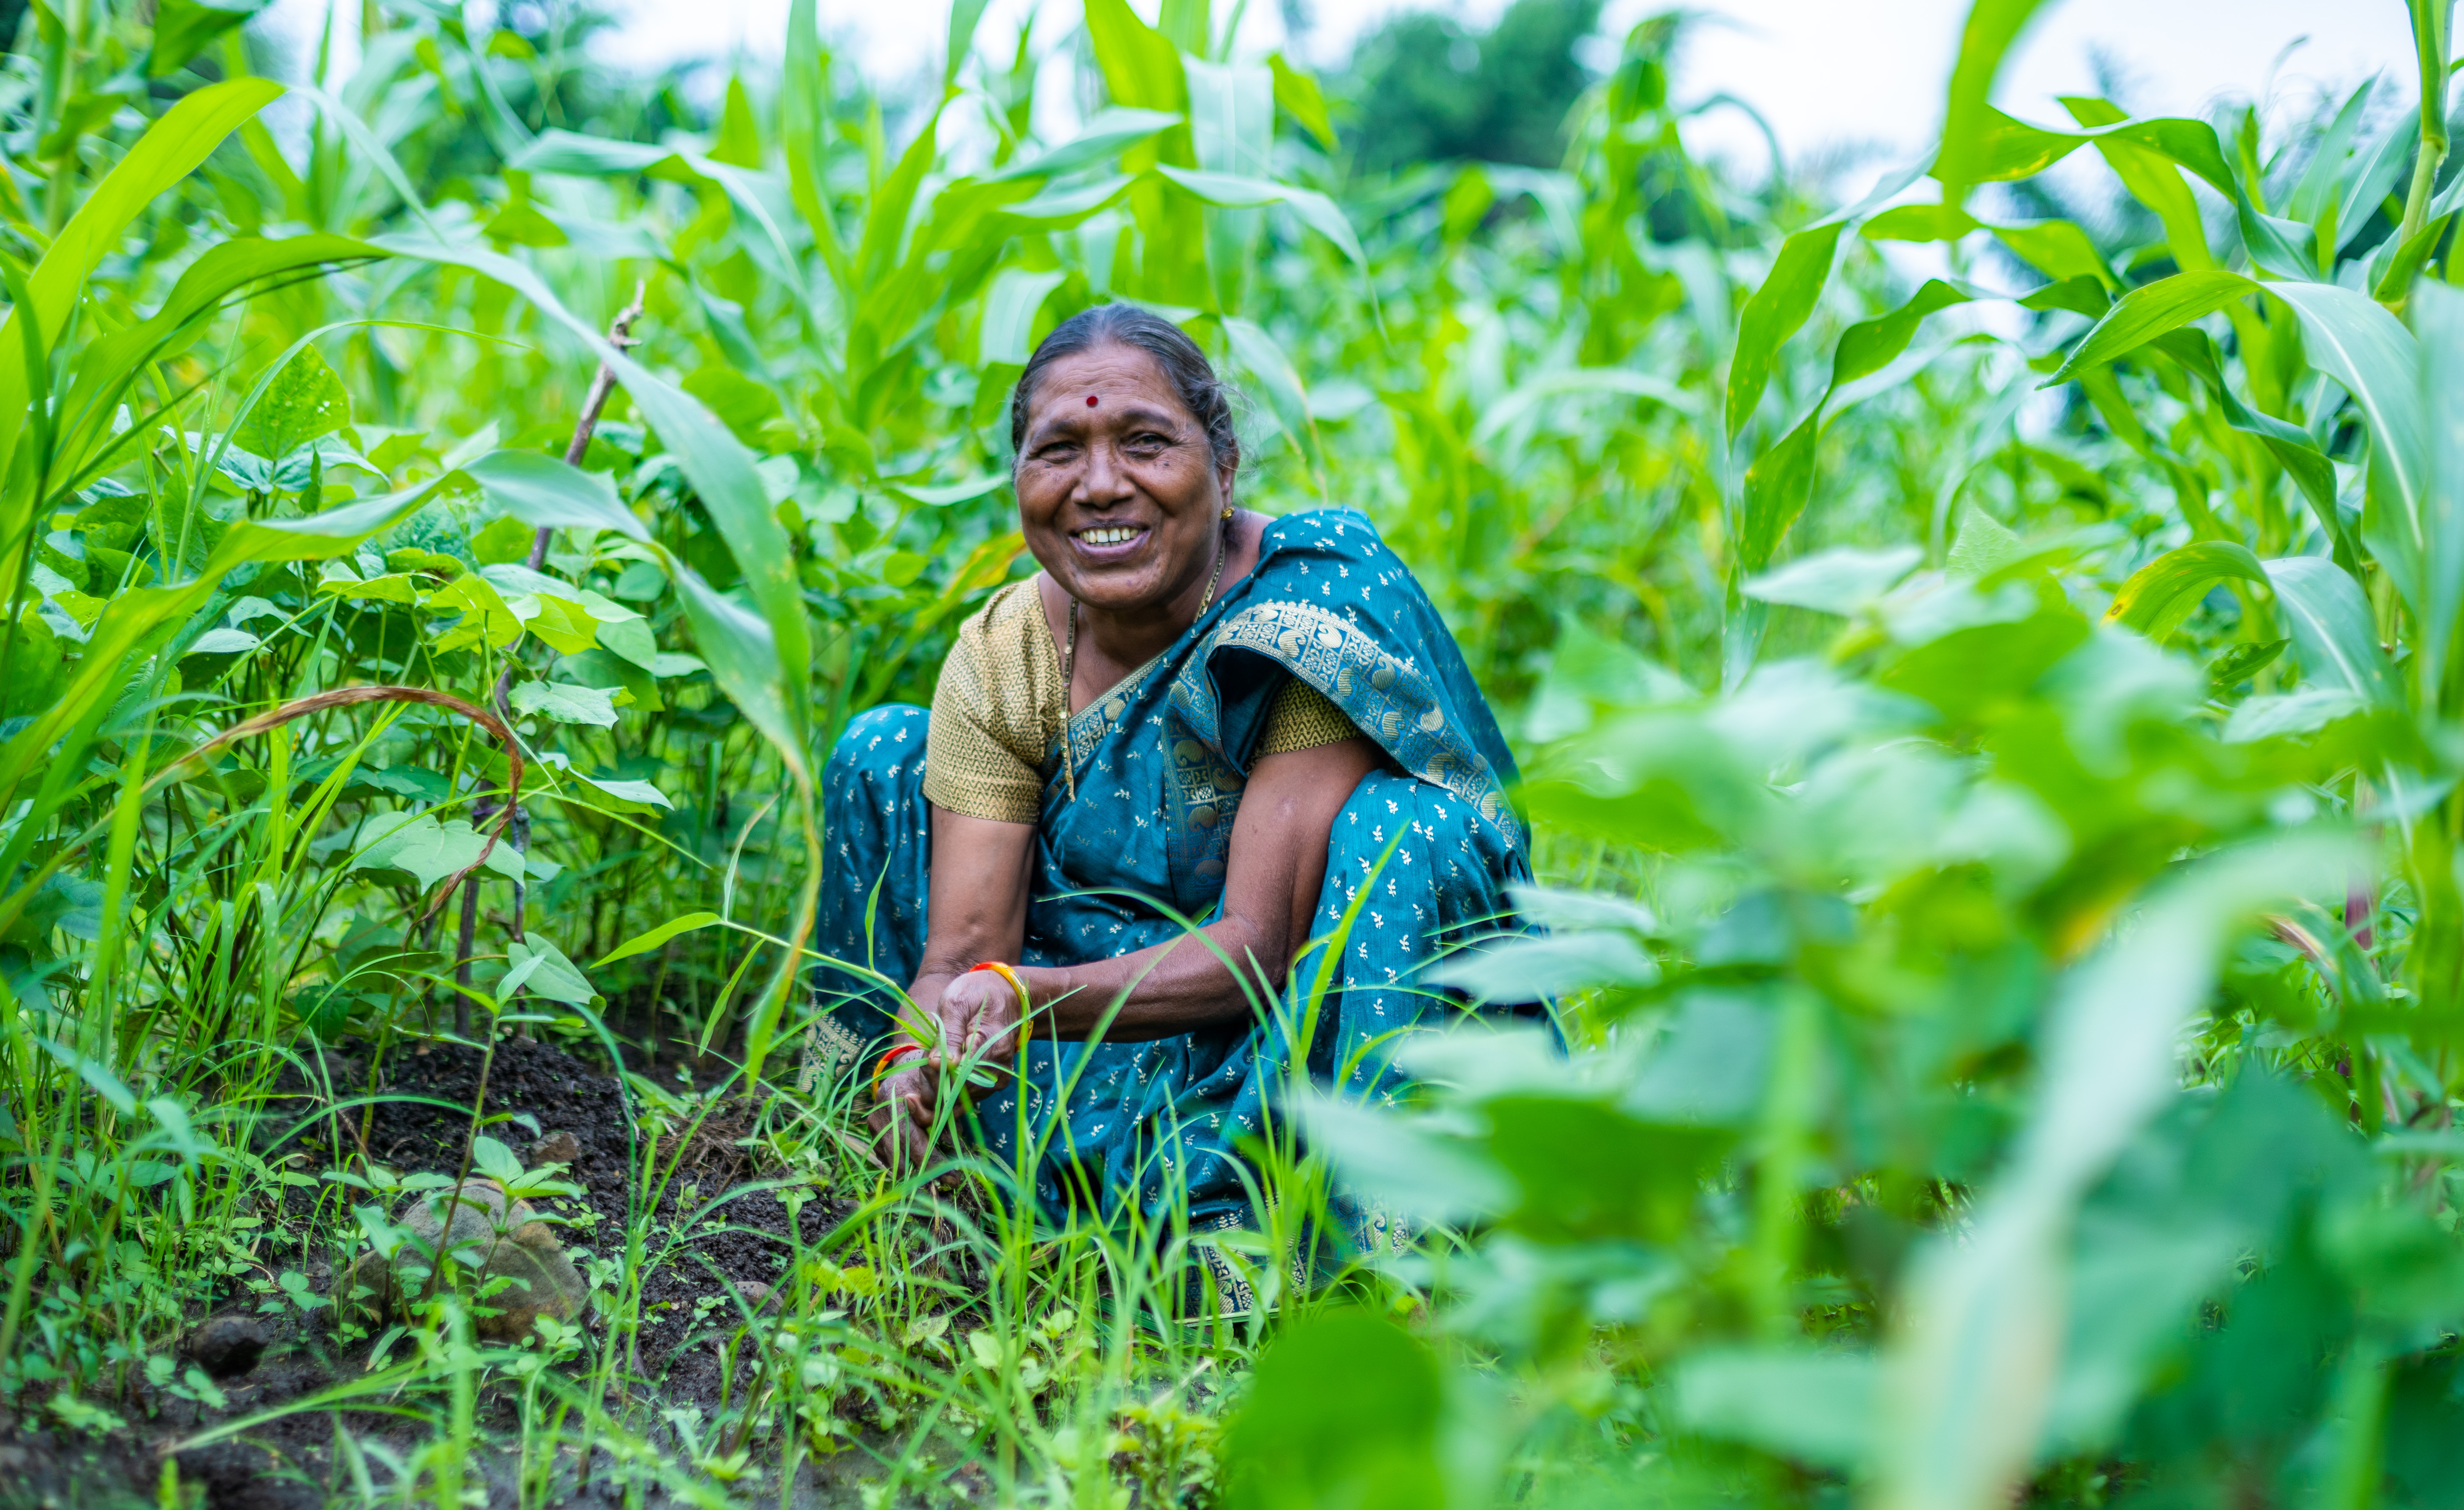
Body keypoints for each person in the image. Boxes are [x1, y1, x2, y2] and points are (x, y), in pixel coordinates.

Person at [810, 305, 1533, 1309]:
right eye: (1057, 450)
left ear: (1223, 465)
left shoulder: (1304, 615)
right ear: (1018, 480)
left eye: (1144, 442)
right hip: (1083, 1042)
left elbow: (1256, 949)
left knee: (1412, 831)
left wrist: (1021, 998)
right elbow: (962, 953)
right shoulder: (1007, 651)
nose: (1100, 484)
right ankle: (931, 1175)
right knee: (883, 753)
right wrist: (922, 1052)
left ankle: (1358, 1240)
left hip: (1281, 1035)